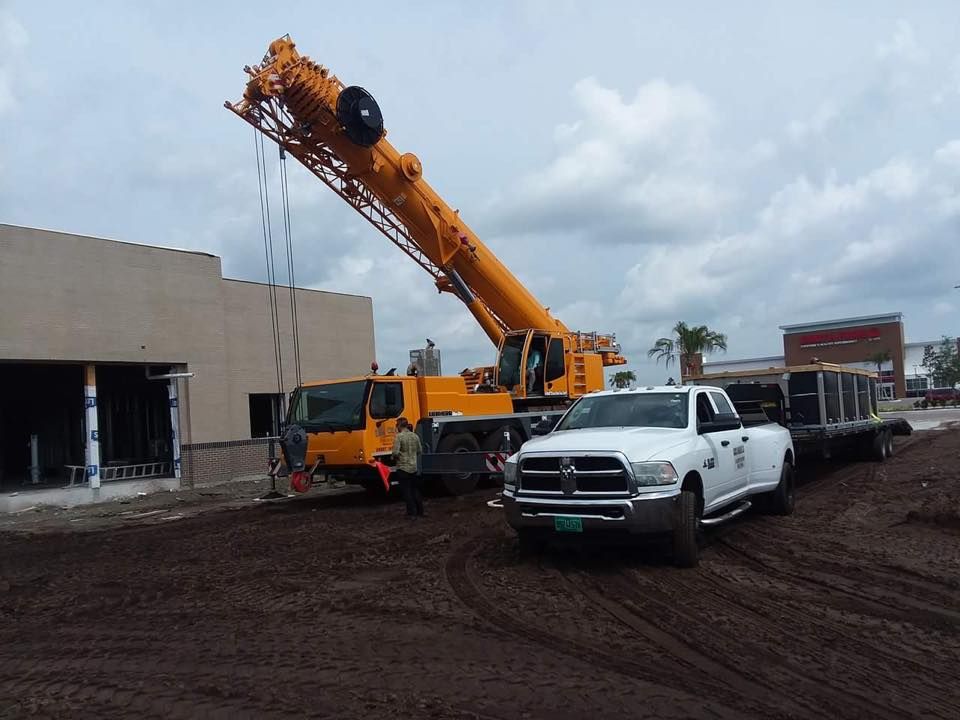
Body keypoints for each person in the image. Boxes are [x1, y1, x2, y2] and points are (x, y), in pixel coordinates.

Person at [391, 417, 424, 517]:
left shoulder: (399, 437)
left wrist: (393, 457)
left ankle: (411, 513)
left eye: (397, 425)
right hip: (413, 467)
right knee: (415, 490)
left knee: (406, 491)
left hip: (403, 468)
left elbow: (395, 452)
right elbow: (419, 451)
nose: (396, 427)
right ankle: (420, 511)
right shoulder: (415, 436)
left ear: (400, 425)